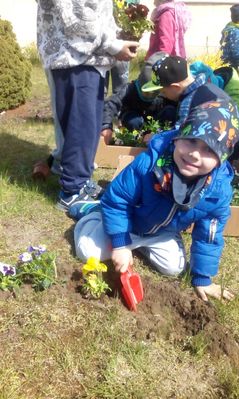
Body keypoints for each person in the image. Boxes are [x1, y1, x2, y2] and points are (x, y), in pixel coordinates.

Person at [70, 100, 239, 302]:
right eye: (191, 140)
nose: (194, 154)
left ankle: (139, 243)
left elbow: (208, 235)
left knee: (173, 268)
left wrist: (202, 278)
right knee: (87, 251)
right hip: (129, 220)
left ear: (221, 158)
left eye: (209, 150)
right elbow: (118, 200)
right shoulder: (149, 164)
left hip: (162, 232)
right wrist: (121, 244)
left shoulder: (217, 192)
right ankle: (92, 211)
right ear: (178, 137)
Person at [37, 0, 139, 211]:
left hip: (87, 57)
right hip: (74, 57)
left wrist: (115, 39)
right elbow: (75, 14)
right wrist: (113, 45)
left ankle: (81, 183)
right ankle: (71, 192)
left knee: (88, 126)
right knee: (80, 127)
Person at [101, 51, 177, 145]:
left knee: (170, 111)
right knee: (133, 121)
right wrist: (106, 126)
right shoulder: (129, 89)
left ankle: (160, 136)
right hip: (134, 117)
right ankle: (137, 138)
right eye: (145, 92)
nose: (148, 95)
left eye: (152, 93)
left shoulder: (167, 93)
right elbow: (111, 104)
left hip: (155, 121)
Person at [141, 55, 232, 129]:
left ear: (175, 87)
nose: (164, 95)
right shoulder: (211, 86)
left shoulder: (188, 102)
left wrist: (156, 138)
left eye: (164, 92)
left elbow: (179, 136)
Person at [220, 4, 239, 70]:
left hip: (226, 64)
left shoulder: (229, 27)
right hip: (231, 67)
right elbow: (236, 54)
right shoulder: (235, 32)